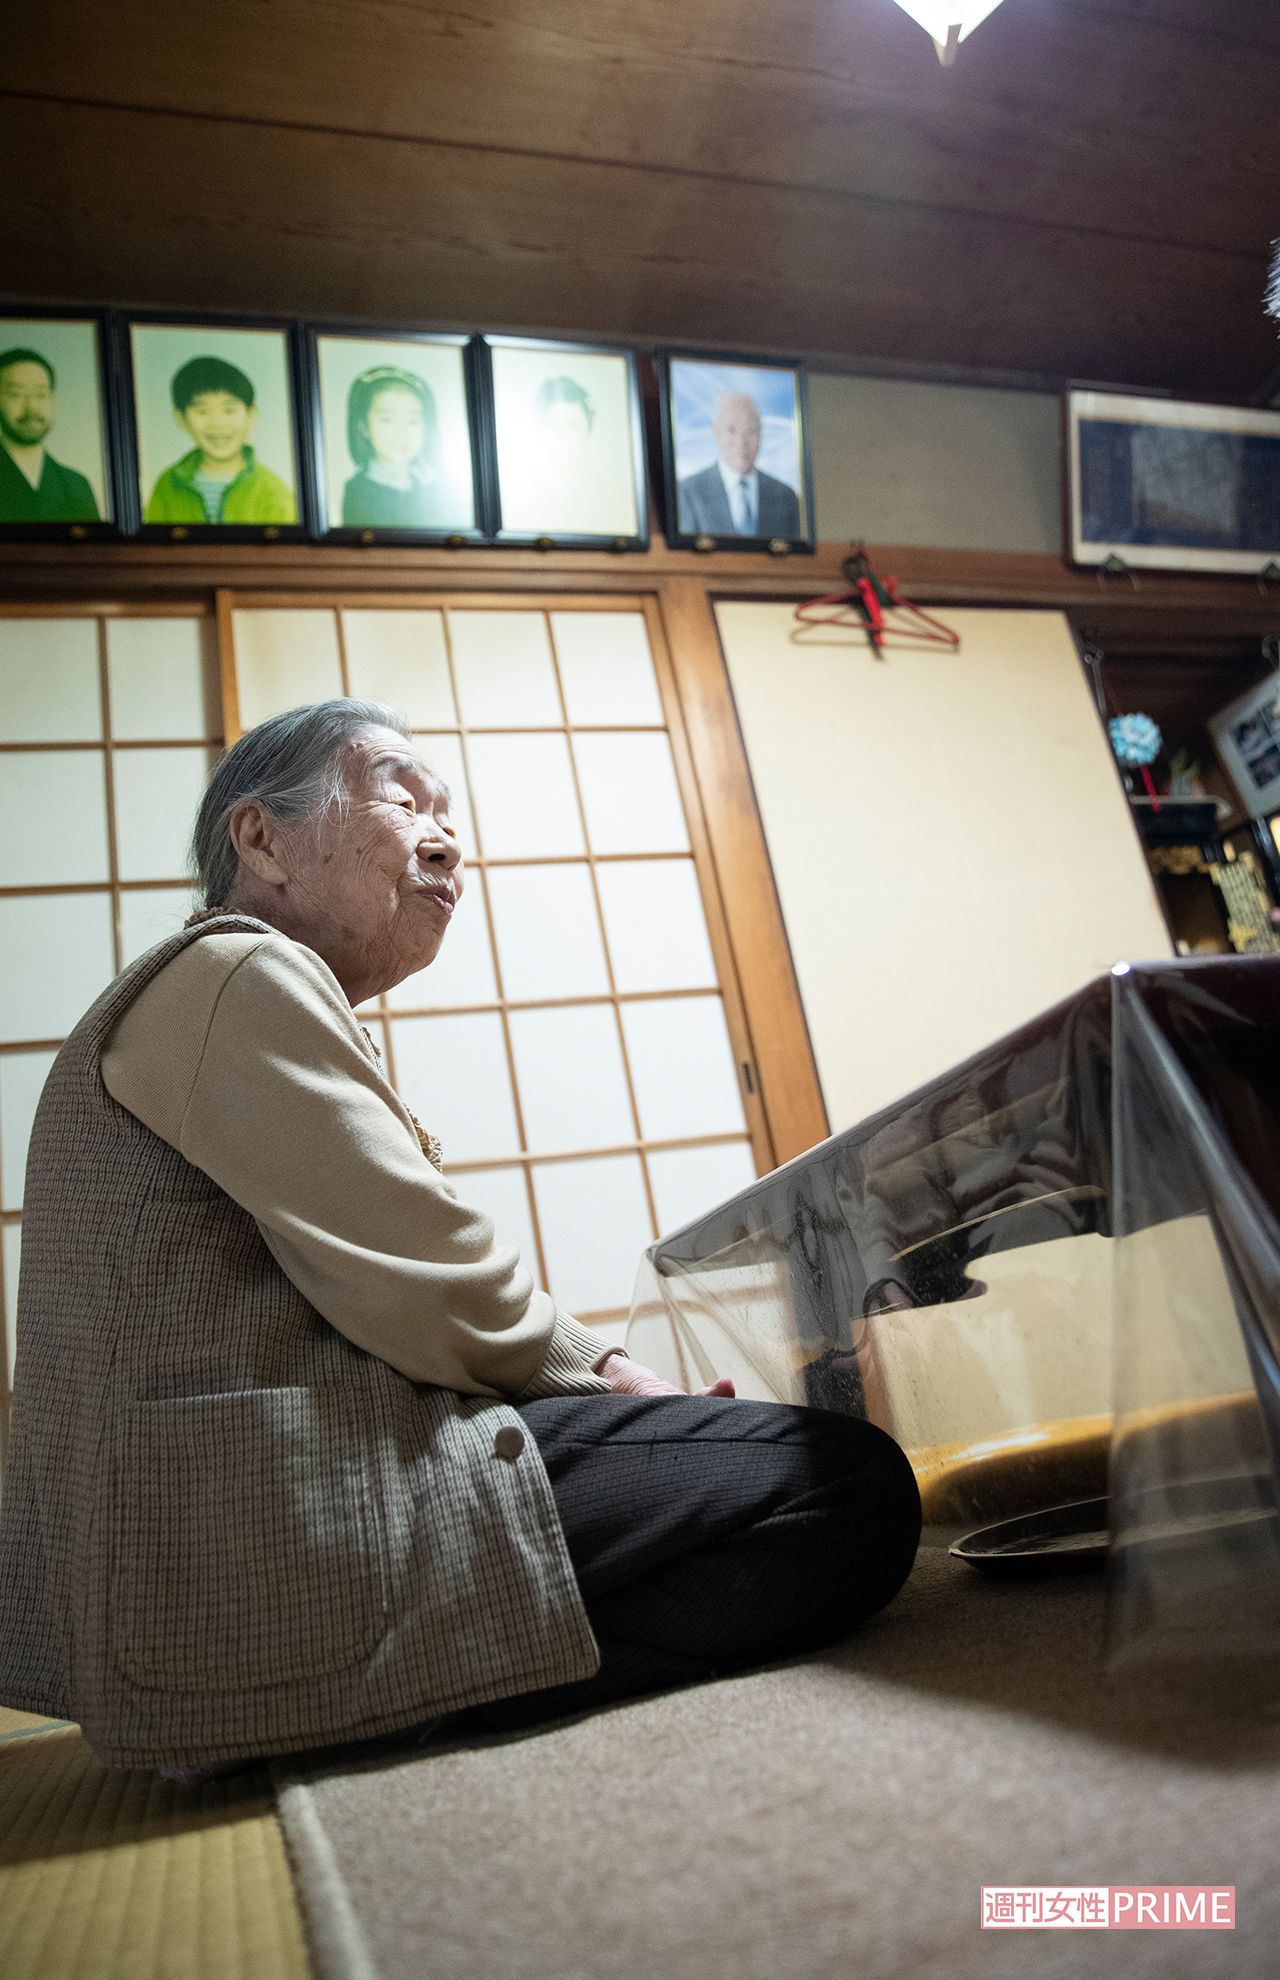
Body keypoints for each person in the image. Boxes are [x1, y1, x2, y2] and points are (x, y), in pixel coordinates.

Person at [0, 698, 920, 1778]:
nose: (446, 841)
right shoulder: (234, 975)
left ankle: (382, 1695)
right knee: (845, 1485)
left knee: (770, 1508)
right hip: (272, 1521)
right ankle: (358, 1696)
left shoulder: (223, 991)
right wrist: (613, 1375)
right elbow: (428, 1286)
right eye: (403, 798)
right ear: (262, 838)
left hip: (209, 1540)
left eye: (450, 814)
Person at [143, 355, 296, 525]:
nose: (217, 423)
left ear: (252, 415)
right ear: (180, 418)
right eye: (202, 411)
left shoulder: (272, 491)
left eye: (229, 410)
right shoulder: (168, 485)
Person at [340, 365, 461, 530]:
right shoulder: (360, 492)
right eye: (387, 420)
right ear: (363, 427)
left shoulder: (431, 486)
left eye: (413, 421)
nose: (401, 433)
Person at [678, 390, 802, 538]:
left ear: (761, 434)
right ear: (716, 433)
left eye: (751, 430)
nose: (741, 441)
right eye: (731, 430)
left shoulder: (785, 496)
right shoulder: (689, 491)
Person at [0, 347, 100, 524]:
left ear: (52, 400)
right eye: (15, 394)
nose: (31, 407)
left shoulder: (76, 486)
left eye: (40, 395)